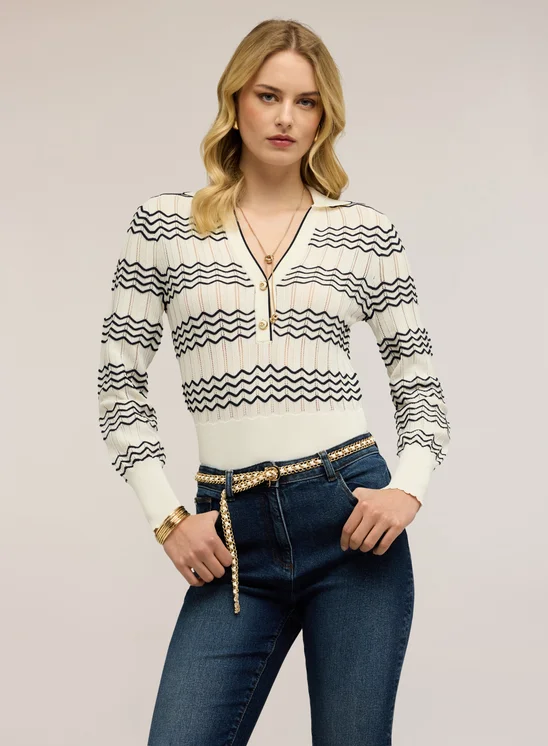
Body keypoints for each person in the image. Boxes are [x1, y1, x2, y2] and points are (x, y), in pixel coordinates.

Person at [97, 18, 451, 746]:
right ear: (235, 101)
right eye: (268, 95)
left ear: (325, 117)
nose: (286, 117)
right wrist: (167, 516)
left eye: (306, 102)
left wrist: (407, 488)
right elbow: (119, 383)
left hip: (349, 525)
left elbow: (420, 388)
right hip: (231, 536)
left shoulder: (364, 232)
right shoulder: (164, 227)